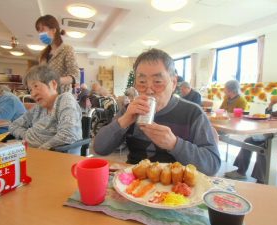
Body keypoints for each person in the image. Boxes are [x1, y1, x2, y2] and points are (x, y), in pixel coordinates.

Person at [94, 48, 220, 176]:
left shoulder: (192, 113)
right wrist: (124, 120)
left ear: (174, 83)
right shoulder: (130, 110)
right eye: (142, 82)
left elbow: (212, 165)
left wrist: (174, 144)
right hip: (134, 183)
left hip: (177, 186)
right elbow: (99, 148)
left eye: (158, 82)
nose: (149, 90)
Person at [9, 65, 82, 150]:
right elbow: (14, 126)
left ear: (53, 84)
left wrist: (38, 148)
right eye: (30, 90)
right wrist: (27, 136)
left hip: (58, 157)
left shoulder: (65, 100)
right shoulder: (38, 108)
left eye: (36, 86)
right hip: (33, 153)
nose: (33, 94)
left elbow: (68, 135)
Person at [224, 96, 277, 183]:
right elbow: (271, 115)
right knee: (249, 141)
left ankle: (262, 180)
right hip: (274, 134)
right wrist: (271, 105)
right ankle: (240, 172)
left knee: (265, 148)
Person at [35, 15, 80, 93]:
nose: (40, 34)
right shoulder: (43, 55)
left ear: (53, 30)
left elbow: (75, 75)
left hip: (61, 96)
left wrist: (57, 80)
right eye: (38, 31)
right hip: (45, 95)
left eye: (42, 29)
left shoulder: (67, 49)